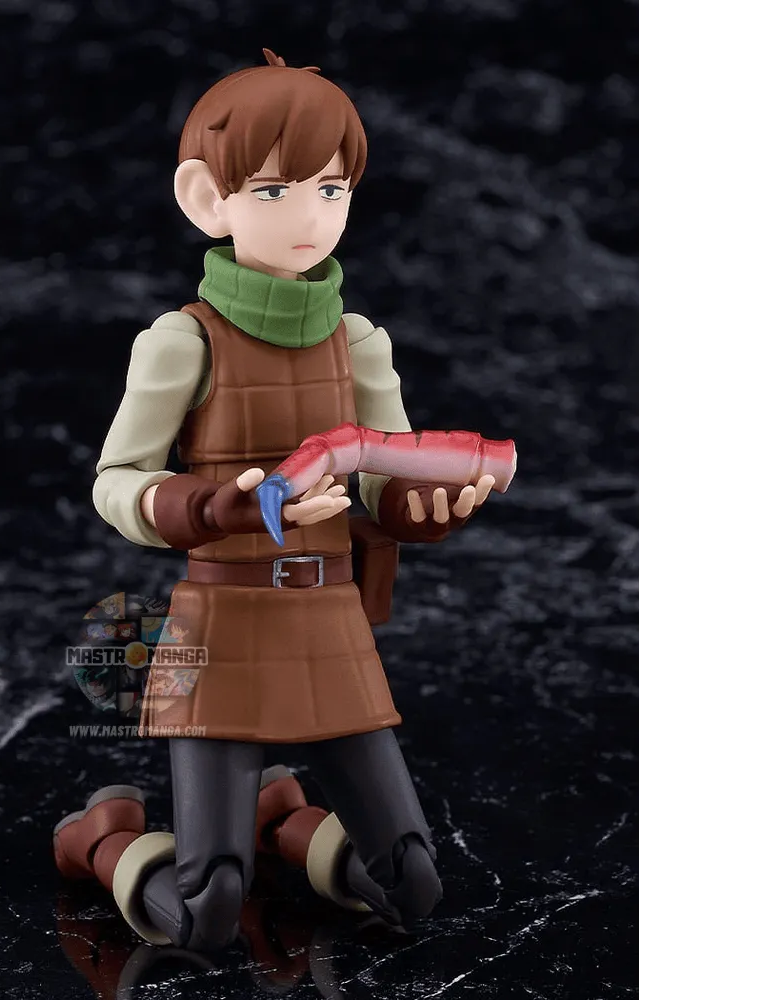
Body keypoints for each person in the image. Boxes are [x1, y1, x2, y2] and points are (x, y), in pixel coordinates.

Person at [53, 49, 496, 952]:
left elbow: (388, 479)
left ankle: (285, 823)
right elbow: (116, 481)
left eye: (331, 189)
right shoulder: (182, 342)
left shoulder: (359, 343)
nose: (309, 216)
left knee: (412, 881)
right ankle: (102, 840)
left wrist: (424, 510)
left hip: (329, 620)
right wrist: (213, 507)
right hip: (221, 623)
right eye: (272, 190)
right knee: (208, 908)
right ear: (205, 198)